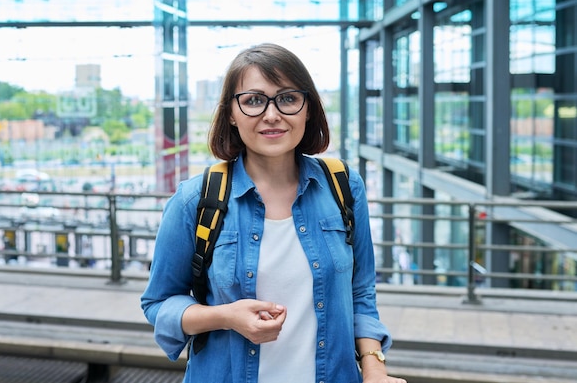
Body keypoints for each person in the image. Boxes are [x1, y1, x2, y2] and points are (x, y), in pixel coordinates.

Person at [141, 43, 405, 383]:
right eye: (253, 100)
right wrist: (228, 316)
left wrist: (374, 369)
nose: (271, 115)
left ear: (307, 109)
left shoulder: (343, 186)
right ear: (231, 115)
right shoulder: (195, 200)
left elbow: (360, 292)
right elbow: (158, 305)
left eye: (288, 98)